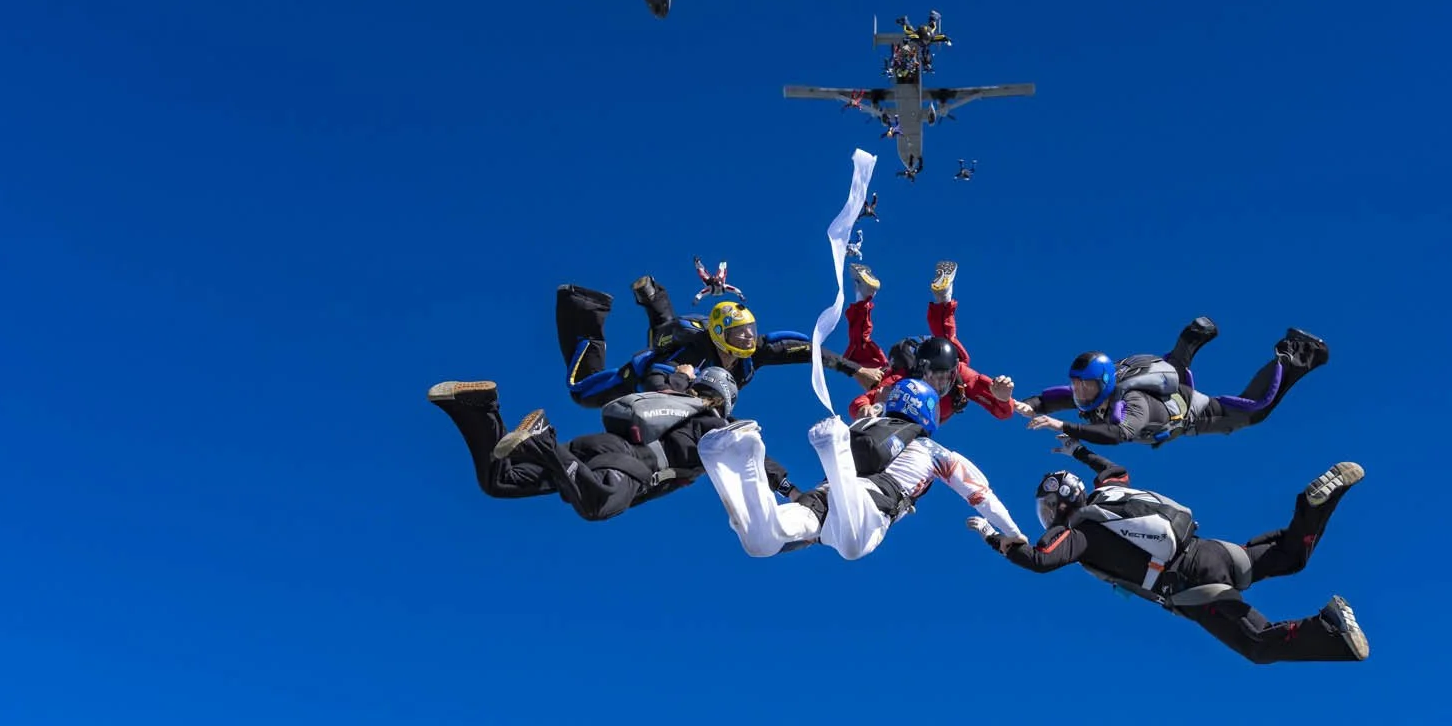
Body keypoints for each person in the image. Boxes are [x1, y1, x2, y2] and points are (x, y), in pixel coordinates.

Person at [968, 444, 1371, 663]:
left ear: (1059, 506)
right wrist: (1077, 450)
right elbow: (1115, 469)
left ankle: (1330, 627)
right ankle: (1313, 506)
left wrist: (994, 538)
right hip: (1210, 550)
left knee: (1259, 645)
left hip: (1191, 585)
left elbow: (1038, 560)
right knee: (1290, 555)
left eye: (1047, 508)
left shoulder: (1081, 531)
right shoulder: (1110, 493)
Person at [698, 377, 1026, 559]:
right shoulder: (936, 451)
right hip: (869, 504)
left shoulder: (868, 424)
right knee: (853, 547)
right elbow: (982, 497)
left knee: (760, 543)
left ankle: (745, 456)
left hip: (822, 499)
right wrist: (1013, 534)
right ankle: (832, 452)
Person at [430, 367, 800, 521]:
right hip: (629, 464)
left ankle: (478, 410)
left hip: (596, 449)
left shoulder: (670, 394)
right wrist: (790, 490)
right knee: (599, 505)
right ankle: (543, 439)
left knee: (500, 480)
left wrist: (680, 375)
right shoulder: (718, 425)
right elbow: (756, 459)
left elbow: (653, 376)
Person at [558, 277, 883, 411]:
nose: (747, 339)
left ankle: (653, 295)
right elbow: (656, 379)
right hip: (650, 371)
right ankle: (583, 309)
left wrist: (855, 370)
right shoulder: (695, 352)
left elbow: (805, 349)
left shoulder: (756, 351)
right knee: (581, 392)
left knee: (663, 333)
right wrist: (679, 389)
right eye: (738, 334)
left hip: (681, 366)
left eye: (749, 331)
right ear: (718, 336)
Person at [1017, 325, 1329, 450]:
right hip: (1170, 398)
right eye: (1076, 386)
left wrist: (1064, 427)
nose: (1079, 394)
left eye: (1085, 387)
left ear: (1105, 383)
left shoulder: (1133, 403)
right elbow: (1050, 399)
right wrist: (1021, 404)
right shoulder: (1093, 393)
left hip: (1195, 412)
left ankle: (1295, 354)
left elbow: (1116, 434)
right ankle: (1186, 346)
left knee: (1254, 411)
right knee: (1177, 367)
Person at [839, 261, 1017, 426]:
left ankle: (942, 296)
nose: (938, 384)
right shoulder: (903, 380)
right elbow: (862, 400)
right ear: (921, 371)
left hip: (942, 363)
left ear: (953, 372)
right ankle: (864, 295)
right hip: (898, 373)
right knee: (862, 358)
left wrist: (1003, 398)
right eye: (933, 377)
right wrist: (864, 409)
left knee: (949, 345)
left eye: (944, 377)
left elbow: (1003, 411)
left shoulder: (962, 375)